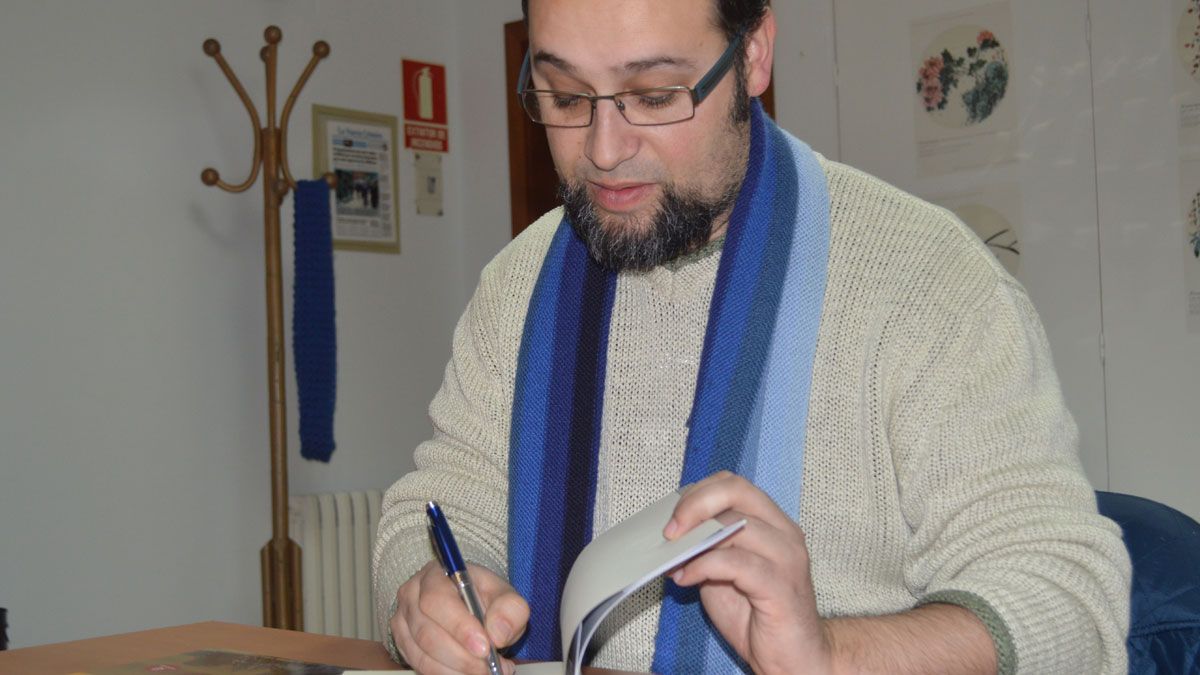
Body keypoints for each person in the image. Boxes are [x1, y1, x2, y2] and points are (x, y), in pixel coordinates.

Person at [372, 1, 1132, 673]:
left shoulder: (927, 282)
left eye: (656, 95)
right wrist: (429, 597)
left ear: (755, 54)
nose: (602, 148)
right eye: (565, 95)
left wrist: (830, 656)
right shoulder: (518, 285)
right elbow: (435, 510)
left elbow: (1066, 599)